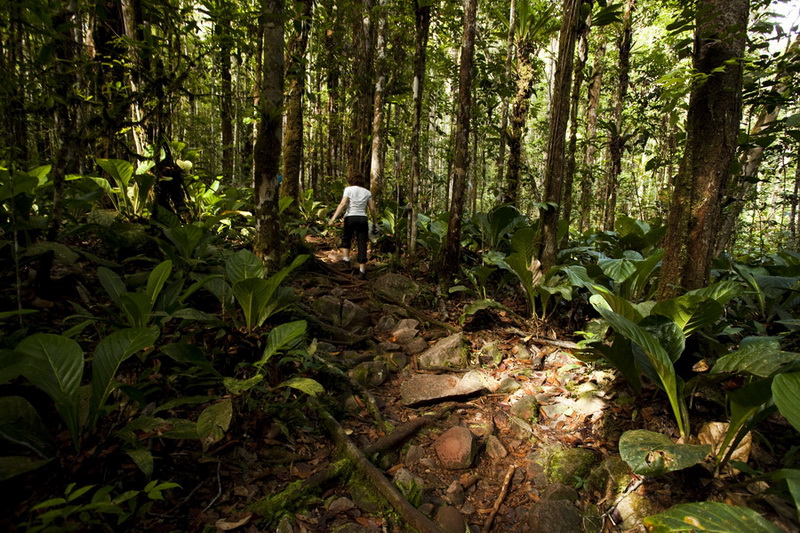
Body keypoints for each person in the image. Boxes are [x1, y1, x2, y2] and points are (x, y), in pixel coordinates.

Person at [328, 173, 377, 279]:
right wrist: (374, 221)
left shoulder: (348, 189)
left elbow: (342, 204)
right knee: (362, 242)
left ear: (351, 181)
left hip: (350, 217)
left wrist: (333, 218)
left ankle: (346, 260)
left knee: (346, 237)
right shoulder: (367, 192)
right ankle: (362, 271)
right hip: (362, 218)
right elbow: (372, 209)